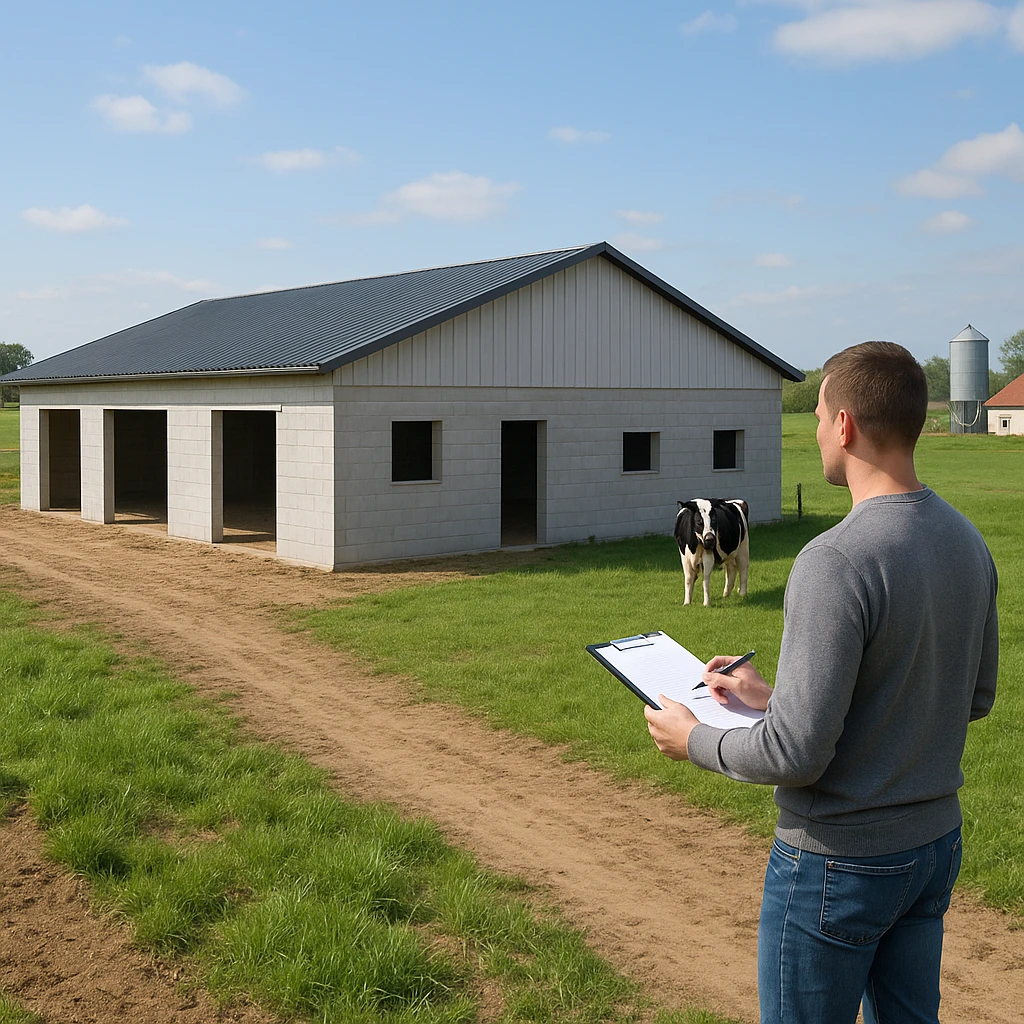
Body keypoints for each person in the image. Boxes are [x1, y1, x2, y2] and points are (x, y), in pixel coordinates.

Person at [645, 341, 998, 1024]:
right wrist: (776, 697)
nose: (813, 434)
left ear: (844, 425)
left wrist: (695, 740)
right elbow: (972, 697)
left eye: (817, 417)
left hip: (837, 865)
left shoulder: (833, 560)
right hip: (932, 848)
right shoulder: (967, 540)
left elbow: (796, 756)